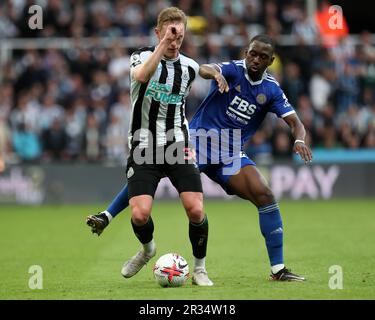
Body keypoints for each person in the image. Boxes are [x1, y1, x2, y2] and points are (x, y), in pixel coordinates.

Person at [87, 34, 313, 281]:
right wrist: (214, 74)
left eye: (262, 56)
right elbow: (206, 69)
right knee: (151, 171)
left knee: (265, 195)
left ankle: (278, 270)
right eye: (252, 53)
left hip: (229, 154)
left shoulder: (271, 89)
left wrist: (299, 138)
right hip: (196, 141)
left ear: (271, 61)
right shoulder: (233, 70)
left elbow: (295, 122)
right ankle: (108, 216)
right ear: (246, 52)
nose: (255, 60)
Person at [91, 7, 213, 286]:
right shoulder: (143, 56)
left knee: (195, 209)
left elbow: (200, 68)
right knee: (140, 213)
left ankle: (200, 269)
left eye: (180, 35)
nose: (175, 40)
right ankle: (148, 250)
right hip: (143, 145)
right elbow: (142, 76)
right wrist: (163, 45)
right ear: (158, 33)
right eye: (170, 34)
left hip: (178, 144)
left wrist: (215, 73)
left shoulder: (189, 67)